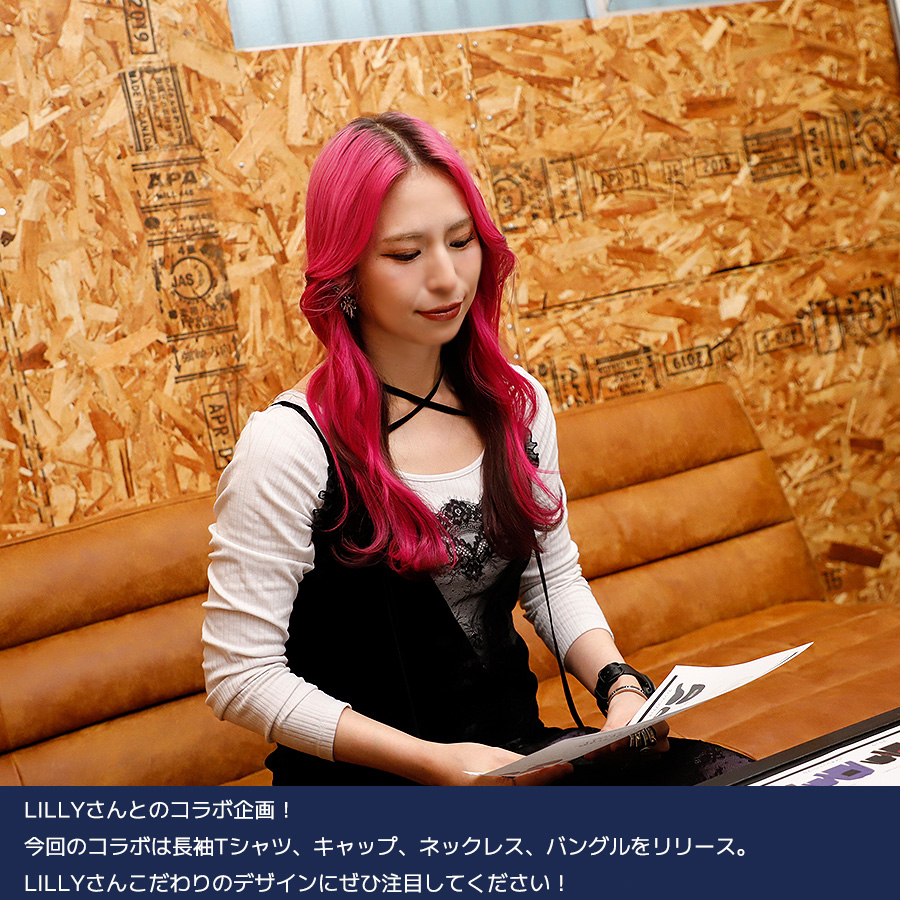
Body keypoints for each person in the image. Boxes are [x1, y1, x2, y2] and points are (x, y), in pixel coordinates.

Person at [202, 112, 748, 786]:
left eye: (461, 242)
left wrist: (622, 687)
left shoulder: (516, 404)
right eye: (406, 254)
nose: (448, 279)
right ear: (345, 274)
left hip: (515, 760)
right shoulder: (289, 446)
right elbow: (240, 676)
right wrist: (437, 763)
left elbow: (553, 580)